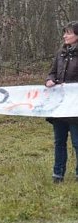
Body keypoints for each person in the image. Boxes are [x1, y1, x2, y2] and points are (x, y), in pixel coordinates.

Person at [44, 21, 78, 183]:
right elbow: (51, 73)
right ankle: (58, 175)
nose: (65, 36)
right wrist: (50, 81)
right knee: (59, 142)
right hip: (59, 107)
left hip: (75, 108)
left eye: (69, 33)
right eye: (64, 32)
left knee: (77, 143)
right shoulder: (60, 53)